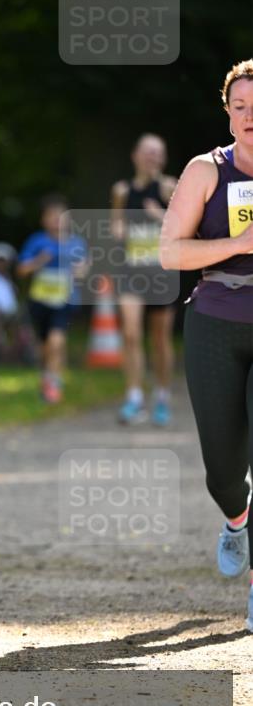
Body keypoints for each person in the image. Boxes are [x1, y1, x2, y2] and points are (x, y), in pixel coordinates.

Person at [160, 58, 253, 632]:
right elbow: (170, 252)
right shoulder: (206, 170)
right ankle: (237, 519)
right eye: (240, 107)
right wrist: (240, 243)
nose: (250, 117)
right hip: (216, 320)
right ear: (228, 113)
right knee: (223, 469)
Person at [111, 134, 178, 425]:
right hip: (132, 272)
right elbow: (116, 224)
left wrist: (159, 214)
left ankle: (161, 396)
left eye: (157, 153)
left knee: (160, 339)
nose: (152, 157)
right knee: (130, 334)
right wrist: (118, 231)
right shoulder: (122, 190)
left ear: (163, 158)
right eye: (148, 152)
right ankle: (134, 397)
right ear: (135, 155)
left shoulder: (170, 186)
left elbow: (185, 226)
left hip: (161, 273)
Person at [17, 194, 88, 403]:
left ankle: (54, 383)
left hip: (65, 300)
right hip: (40, 300)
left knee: (56, 340)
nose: (57, 220)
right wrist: (39, 261)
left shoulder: (76, 243)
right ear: (43, 219)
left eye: (61, 215)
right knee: (44, 346)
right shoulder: (36, 241)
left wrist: (80, 270)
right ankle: (48, 376)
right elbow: (21, 270)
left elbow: (85, 267)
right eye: (52, 215)